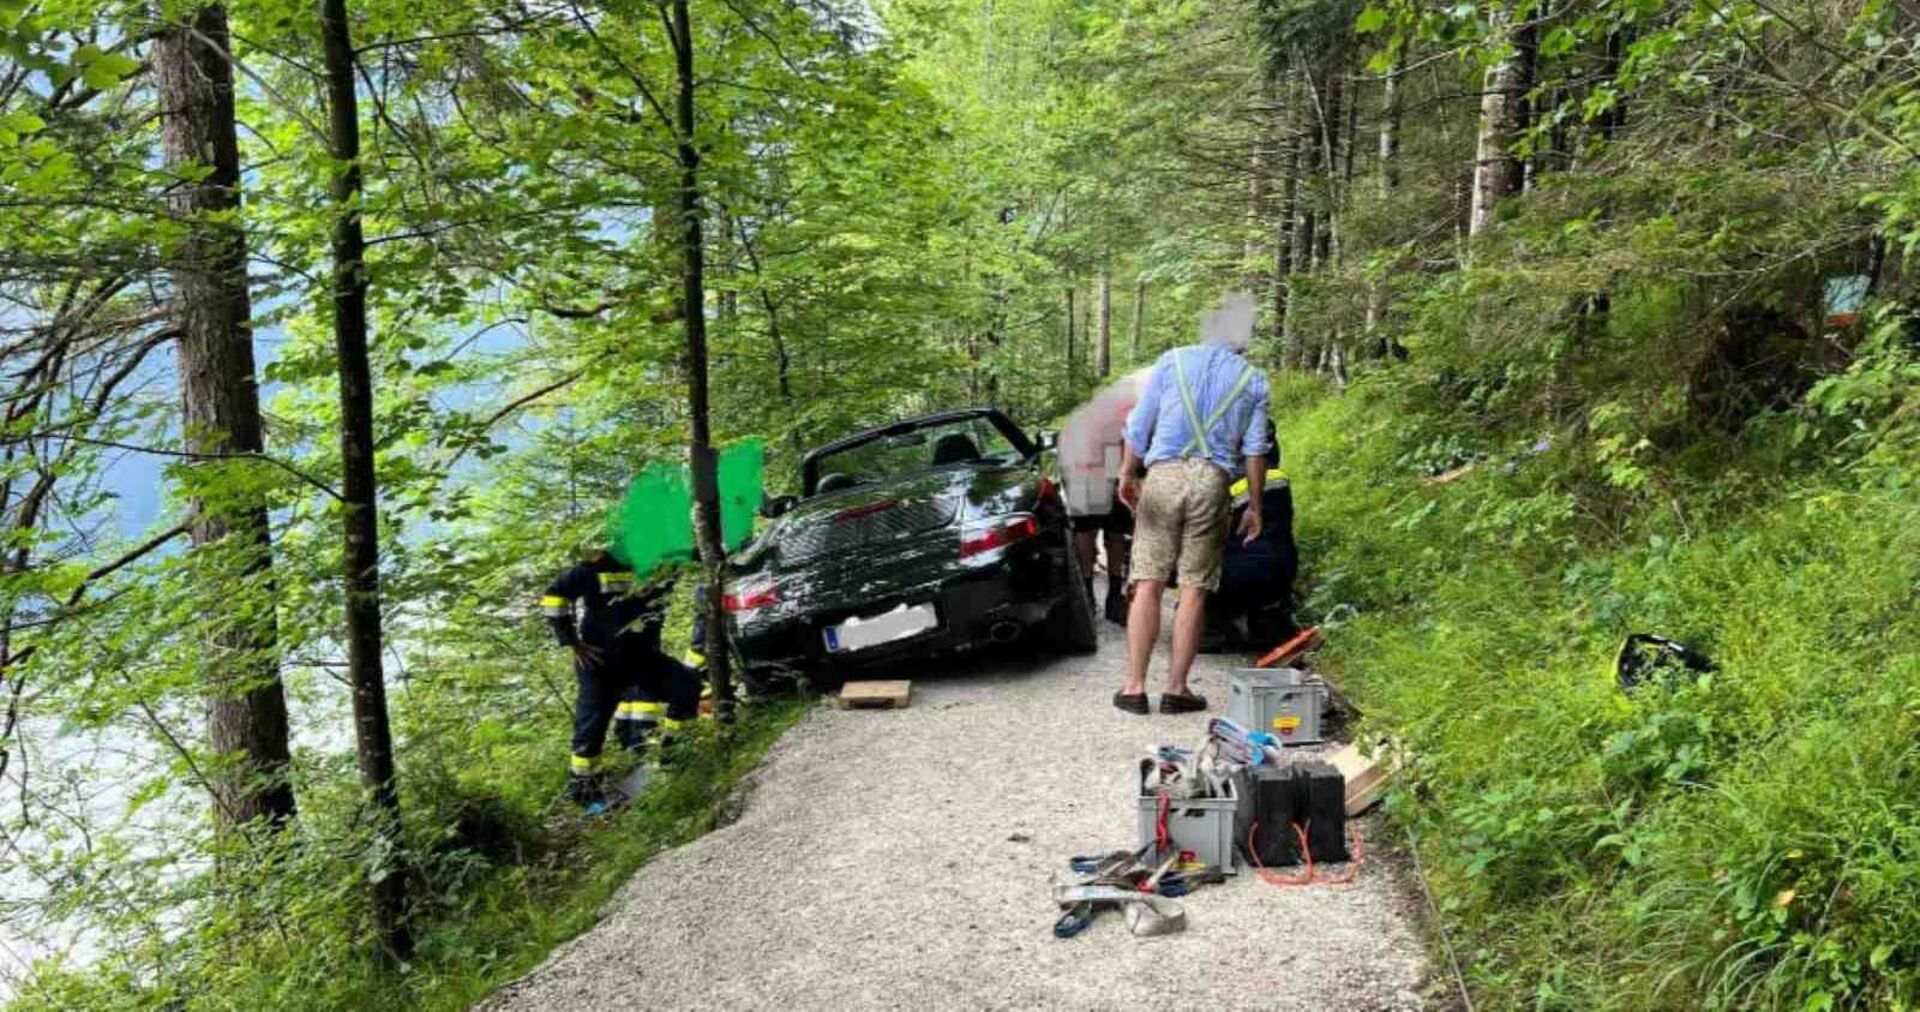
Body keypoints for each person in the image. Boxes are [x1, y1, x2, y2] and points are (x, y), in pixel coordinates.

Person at [1114, 292, 1271, 715]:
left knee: (1147, 580)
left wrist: (1128, 473)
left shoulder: (1173, 361)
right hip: (1213, 481)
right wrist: (1254, 505)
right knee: (1194, 588)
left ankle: (1133, 689)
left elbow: (1139, 422)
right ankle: (1177, 689)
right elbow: (1256, 448)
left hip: (1163, 474)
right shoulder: (1253, 380)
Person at [540, 549, 700, 810]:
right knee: (591, 729)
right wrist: (571, 641)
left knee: (687, 686)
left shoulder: (666, 558)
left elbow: (706, 553)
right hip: (600, 663)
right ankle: (585, 796)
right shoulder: (599, 564)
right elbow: (554, 595)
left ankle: (672, 757)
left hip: (643, 658)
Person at [1205, 419, 1299, 651]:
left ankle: (1212, 628)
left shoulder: (1222, 487)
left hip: (1238, 576)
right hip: (1284, 573)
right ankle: (1267, 620)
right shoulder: (1280, 481)